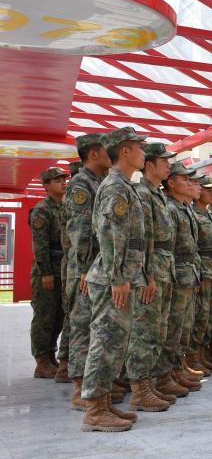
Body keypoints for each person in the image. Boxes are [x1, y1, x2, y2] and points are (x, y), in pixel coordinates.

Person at [80, 127, 148, 432]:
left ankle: (104, 403)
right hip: (112, 277)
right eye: (139, 147)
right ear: (125, 151)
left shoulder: (124, 186)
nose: (143, 153)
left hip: (120, 275)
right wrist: (118, 278)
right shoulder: (115, 187)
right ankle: (94, 411)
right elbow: (109, 236)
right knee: (105, 342)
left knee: (115, 344)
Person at [124, 142, 177, 412]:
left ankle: (151, 383)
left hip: (163, 266)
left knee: (158, 329)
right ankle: (139, 390)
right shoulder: (142, 194)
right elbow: (142, 238)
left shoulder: (157, 194)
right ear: (149, 165)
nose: (169, 165)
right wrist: (147, 275)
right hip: (151, 268)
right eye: (163, 161)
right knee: (144, 331)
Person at [65, 133, 113, 411]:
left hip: (96, 267)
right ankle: (79, 387)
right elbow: (80, 230)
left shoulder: (98, 181)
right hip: (84, 268)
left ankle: (95, 385)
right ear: (93, 153)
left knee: (96, 325)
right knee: (82, 326)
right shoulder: (81, 184)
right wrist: (84, 268)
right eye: (106, 150)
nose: (111, 154)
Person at [162, 163, 203, 393]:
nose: (190, 184)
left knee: (183, 326)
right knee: (173, 326)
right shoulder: (170, 208)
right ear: (171, 183)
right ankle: (167, 373)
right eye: (185, 180)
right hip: (176, 273)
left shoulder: (184, 208)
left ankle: (177, 368)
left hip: (187, 273)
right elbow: (168, 247)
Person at [29, 167, 69, 379]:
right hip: (48, 270)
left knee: (59, 316)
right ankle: (42, 361)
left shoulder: (65, 207)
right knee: (45, 316)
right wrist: (46, 272)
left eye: (63, 179)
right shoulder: (42, 210)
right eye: (57, 180)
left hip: (63, 268)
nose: (63, 182)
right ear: (46, 185)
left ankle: (50, 356)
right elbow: (40, 244)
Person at [190, 175, 212, 375]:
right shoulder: (194, 215)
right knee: (200, 316)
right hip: (202, 272)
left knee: (210, 316)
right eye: (208, 190)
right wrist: (197, 275)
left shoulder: (210, 215)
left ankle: (203, 355)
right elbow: (193, 248)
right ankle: (193, 358)